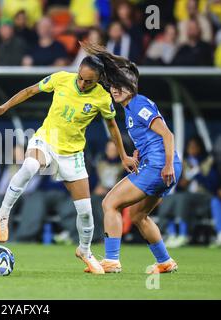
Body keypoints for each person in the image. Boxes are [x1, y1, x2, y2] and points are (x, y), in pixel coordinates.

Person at [0, 43, 139, 274]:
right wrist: (5, 107)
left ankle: (85, 251)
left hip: (72, 154)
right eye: (80, 78)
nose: (82, 83)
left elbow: (112, 128)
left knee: (86, 212)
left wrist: (124, 155)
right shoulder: (61, 78)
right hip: (46, 140)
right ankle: (3, 214)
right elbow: (30, 90)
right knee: (29, 165)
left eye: (88, 81)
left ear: (98, 80)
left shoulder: (101, 98)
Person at [89, 44, 182, 274]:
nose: (115, 90)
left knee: (109, 203)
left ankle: (111, 261)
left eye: (120, 86)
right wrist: (140, 151)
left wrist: (167, 164)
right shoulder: (130, 108)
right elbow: (151, 136)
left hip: (160, 166)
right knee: (139, 215)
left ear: (132, 87)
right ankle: (165, 262)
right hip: (161, 165)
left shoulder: (138, 104)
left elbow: (167, 135)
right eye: (112, 86)